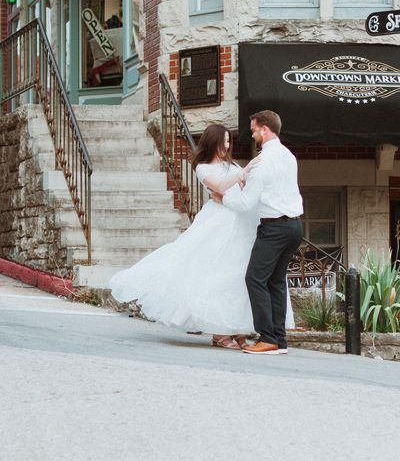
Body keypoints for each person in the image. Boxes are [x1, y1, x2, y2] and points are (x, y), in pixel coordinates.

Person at [109, 124, 295, 349]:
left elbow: (243, 186)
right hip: (220, 222)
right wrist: (244, 172)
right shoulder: (204, 167)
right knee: (217, 274)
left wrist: (248, 177)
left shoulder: (232, 165)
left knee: (236, 277)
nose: (227, 145)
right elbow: (220, 186)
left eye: (229, 141)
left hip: (243, 222)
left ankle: (235, 328)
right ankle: (219, 332)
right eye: (224, 141)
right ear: (213, 142)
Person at [213, 110, 303, 355]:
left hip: (274, 227)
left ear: (265, 129)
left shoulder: (264, 162)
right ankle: (279, 341)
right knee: (276, 281)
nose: (252, 135)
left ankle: (268, 337)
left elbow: (245, 204)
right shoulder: (288, 156)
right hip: (295, 226)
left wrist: (223, 198)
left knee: (254, 278)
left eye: (253, 130)